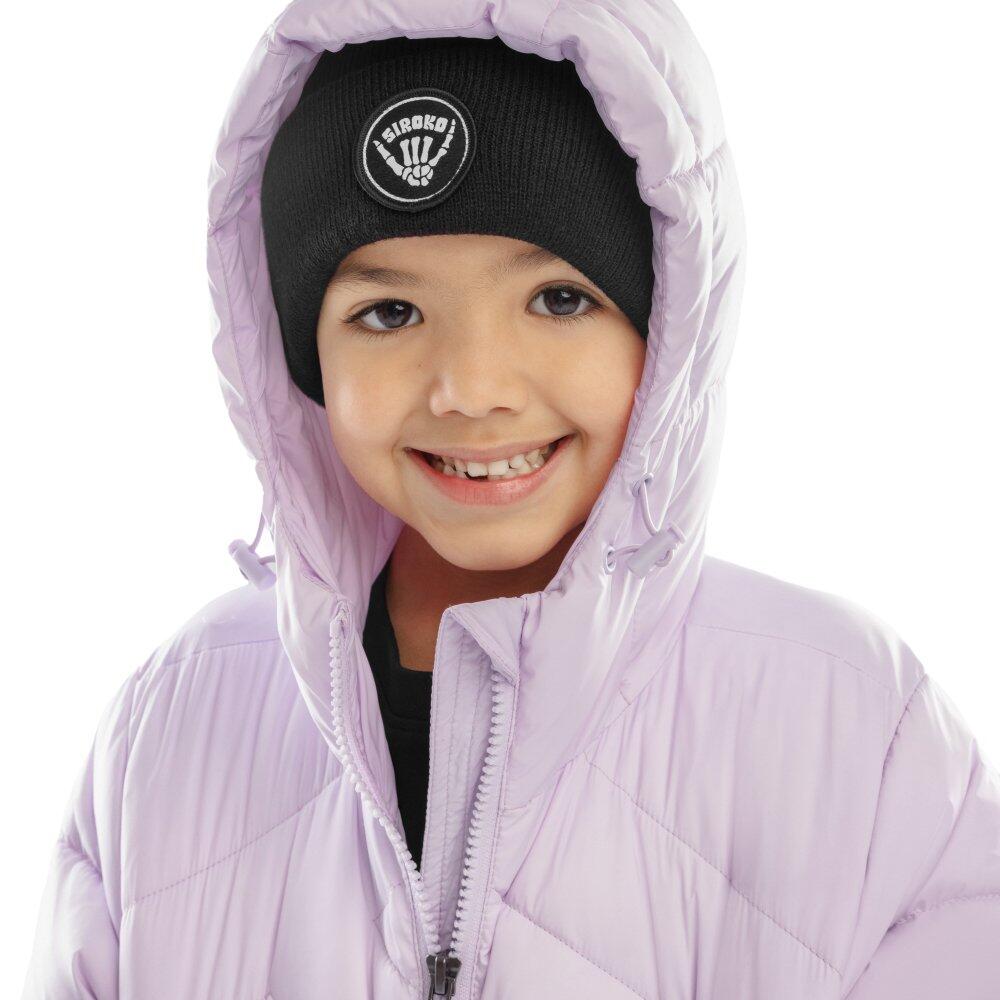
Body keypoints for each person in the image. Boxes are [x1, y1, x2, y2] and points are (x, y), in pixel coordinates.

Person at [20, 4, 1000, 999]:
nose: (472, 388)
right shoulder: (167, 728)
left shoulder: (857, 732)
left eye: (558, 300)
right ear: (301, 359)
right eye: (388, 311)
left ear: (670, 329)